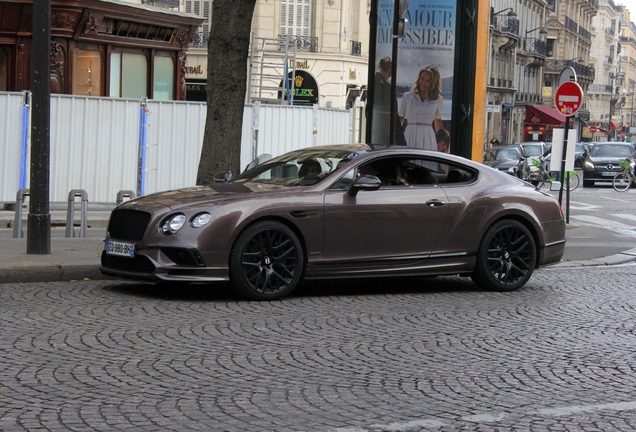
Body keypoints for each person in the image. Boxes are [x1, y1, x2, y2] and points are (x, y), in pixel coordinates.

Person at [398, 66, 444, 150]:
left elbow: (438, 121)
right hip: (409, 134)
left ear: (432, 83)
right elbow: (400, 118)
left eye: (428, 81)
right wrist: (397, 138)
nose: (423, 82)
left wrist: (441, 142)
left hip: (428, 137)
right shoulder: (407, 96)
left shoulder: (438, 99)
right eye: (422, 78)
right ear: (418, 79)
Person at [369, 57, 406, 146]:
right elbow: (395, 115)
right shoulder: (388, 88)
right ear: (390, 71)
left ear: (379, 66)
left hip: (373, 132)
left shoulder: (371, 83)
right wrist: (401, 140)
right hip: (385, 134)